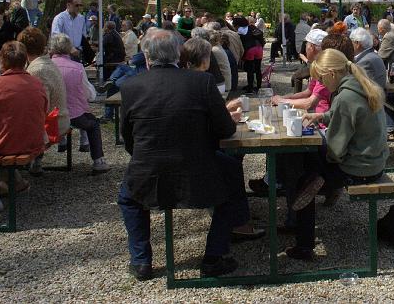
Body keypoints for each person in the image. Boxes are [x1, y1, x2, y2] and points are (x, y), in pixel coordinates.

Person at [117, 29, 260, 281]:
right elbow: (225, 130)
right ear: (178, 54)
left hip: (148, 170)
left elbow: (128, 139)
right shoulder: (201, 82)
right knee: (232, 182)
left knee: (129, 198)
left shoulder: (130, 87)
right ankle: (214, 256)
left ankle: (141, 261)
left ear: (146, 57)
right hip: (197, 171)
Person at [288, 49, 389, 260]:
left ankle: (303, 244)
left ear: (332, 74)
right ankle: (315, 184)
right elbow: (345, 116)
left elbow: (336, 149)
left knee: (302, 173)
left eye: (322, 78)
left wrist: (323, 156)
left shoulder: (345, 97)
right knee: (309, 163)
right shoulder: (362, 84)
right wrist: (321, 116)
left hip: (359, 169)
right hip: (375, 161)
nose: (322, 84)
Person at [0, 41, 47, 213]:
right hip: (34, 139)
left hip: (12, 143)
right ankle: (14, 182)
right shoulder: (36, 83)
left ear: (2, 61)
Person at [50, 34, 109, 173]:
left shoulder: (45, 67)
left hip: (49, 114)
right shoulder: (77, 67)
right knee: (93, 124)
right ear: (69, 49)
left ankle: (37, 162)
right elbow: (89, 93)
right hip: (73, 114)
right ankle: (98, 161)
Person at [17, 28, 70, 176]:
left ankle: (8, 176)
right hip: (61, 117)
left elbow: (40, 106)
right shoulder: (48, 63)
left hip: (53, 124)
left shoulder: (37, 70)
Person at [236, 16, 265, 92]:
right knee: (258, 69)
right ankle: (258, 86)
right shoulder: (252, 27)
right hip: (259, 48)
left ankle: (250, 87)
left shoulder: (240, 30)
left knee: (250, 70)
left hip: (250, 50)